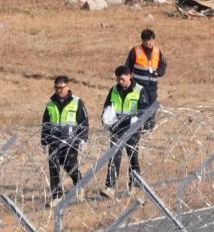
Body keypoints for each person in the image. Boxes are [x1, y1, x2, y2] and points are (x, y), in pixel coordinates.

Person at [100, 65, 150, 198]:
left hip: (133, 128)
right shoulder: (114, 90)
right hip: (117, 128)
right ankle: (110, 187)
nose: (120, 82)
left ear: (130, 76)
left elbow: (145, 109)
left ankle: (134, 185)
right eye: (118, 79)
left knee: (132, 156)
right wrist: (105, 117)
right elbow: (108, 106)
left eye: (122, 79)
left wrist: (137, 119)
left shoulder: (139, 90)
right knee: (114, 156)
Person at [41, 75, 89, 207]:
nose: (59, 90)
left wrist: (83, 139)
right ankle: (56, 196)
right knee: (53, 168)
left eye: (61, 88)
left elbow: (83, 122)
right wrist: (44, 141)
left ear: (67, 86)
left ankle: (80, 186)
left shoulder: (77, 102)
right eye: (56, 88)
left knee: (70, 167)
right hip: (54, 142)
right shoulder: (51, 104)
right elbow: (46, 123)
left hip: (70, 142)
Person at [125, 28, 167, 106]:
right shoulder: (135, 51)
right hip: (138, 86)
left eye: (152, 40)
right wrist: (127, 80)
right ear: (143, 40)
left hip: (152, 87)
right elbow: (128, 67)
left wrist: (158, 73)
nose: (151, 42)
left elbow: (163, 64)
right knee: (139, 109)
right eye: (148, 40)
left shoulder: (157, 51)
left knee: (151, 109)